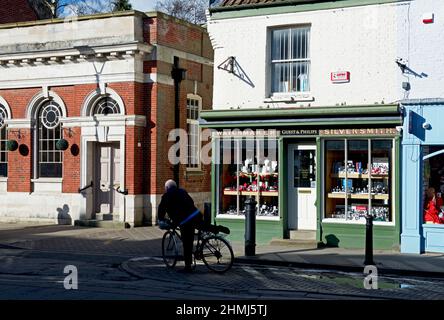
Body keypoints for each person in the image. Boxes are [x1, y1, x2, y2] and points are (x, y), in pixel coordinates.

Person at [158, 180, 203, 273]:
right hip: (196, 215)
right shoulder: (182, 191)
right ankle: (199, 250)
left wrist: (161, 219)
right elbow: (191, 201)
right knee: (195, 236)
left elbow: (161, 209)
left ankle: (188, 266)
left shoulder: (166, 196)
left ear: (167, 188)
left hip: (186, 220)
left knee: (187, 243)